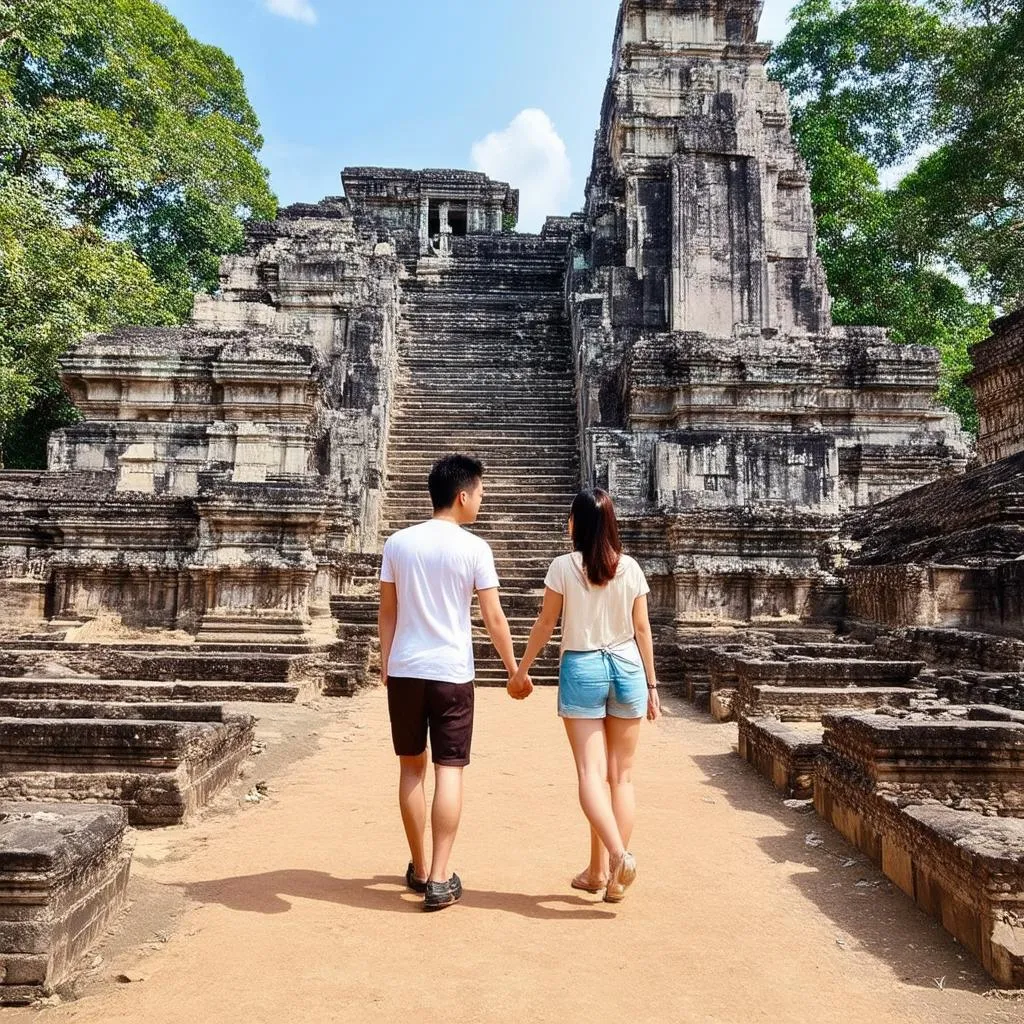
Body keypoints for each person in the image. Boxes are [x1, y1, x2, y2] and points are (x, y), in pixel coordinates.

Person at [378, 454, 531, 912]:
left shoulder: (398, 544)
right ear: (462, 495)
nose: (482, 501)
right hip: (451, 674)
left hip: (405, 668)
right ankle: (441, 879)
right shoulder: (474, 548)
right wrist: (513, 670)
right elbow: (493, 616)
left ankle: (420, 867)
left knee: (410, 768)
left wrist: (387, 663)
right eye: (481, 492)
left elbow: (387, 612)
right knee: (450, 769)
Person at [509, 488, 660, 903]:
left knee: (591, 774)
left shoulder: (563, 567)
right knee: (622, 776)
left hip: (584, 666)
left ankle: (617, 856)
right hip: (628, 666)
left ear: (578, 523)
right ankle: (601, 875)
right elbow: (643, 629)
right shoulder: (630, 567)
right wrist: (651, 684)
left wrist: (522, 669)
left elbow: (545, 623)